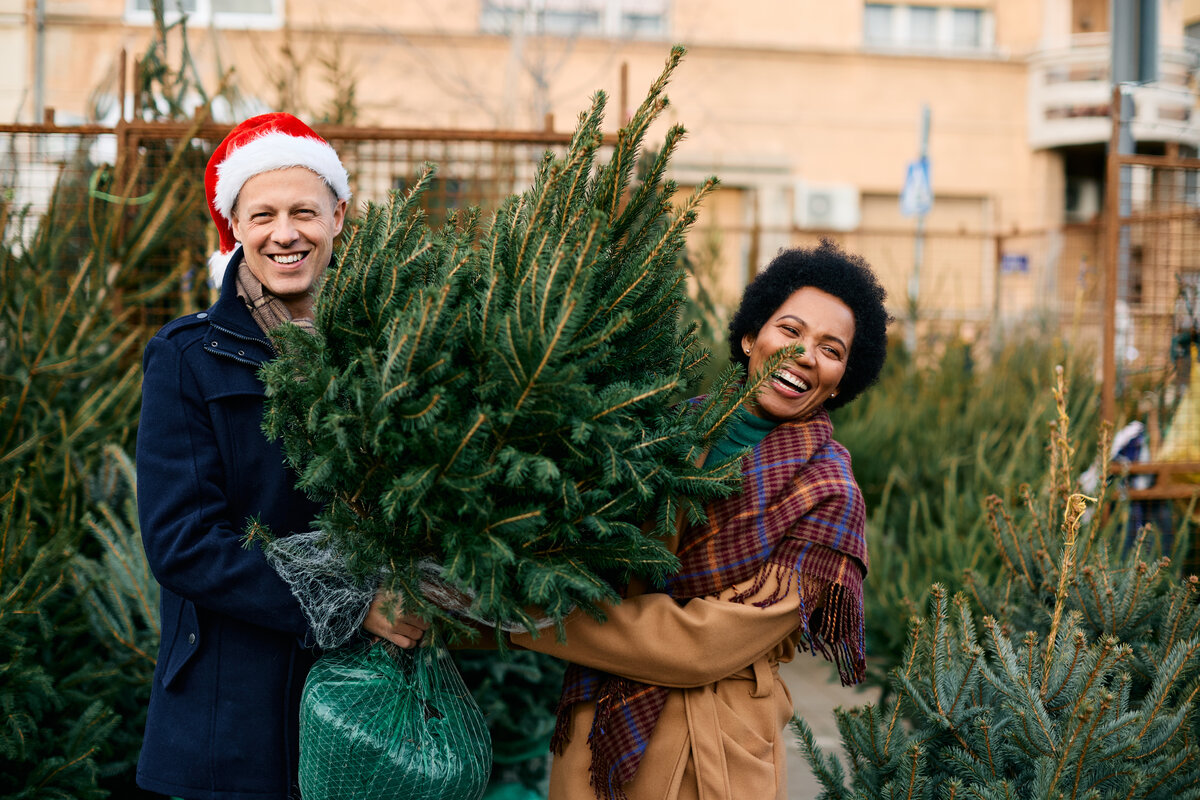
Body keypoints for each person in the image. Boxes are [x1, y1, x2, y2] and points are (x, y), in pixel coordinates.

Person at [510, 240, 890, 800]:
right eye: (790, 330)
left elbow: (702, 647)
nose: (805, 354)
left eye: (830, 349)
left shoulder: (828, 496)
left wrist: (511, 620)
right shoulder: (661, 433)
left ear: (840, 380)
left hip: (708, 747)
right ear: (749, 336)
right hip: (598, 724)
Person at [135, 113, 427, 800]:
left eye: (305, 210)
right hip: (231, 716)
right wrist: (352, 605)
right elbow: (182, 544)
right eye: (261, 214)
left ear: (340, 216)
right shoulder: (188, 359)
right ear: (233, 226)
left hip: (369, 710)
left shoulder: (398, 346)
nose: (285, 232)